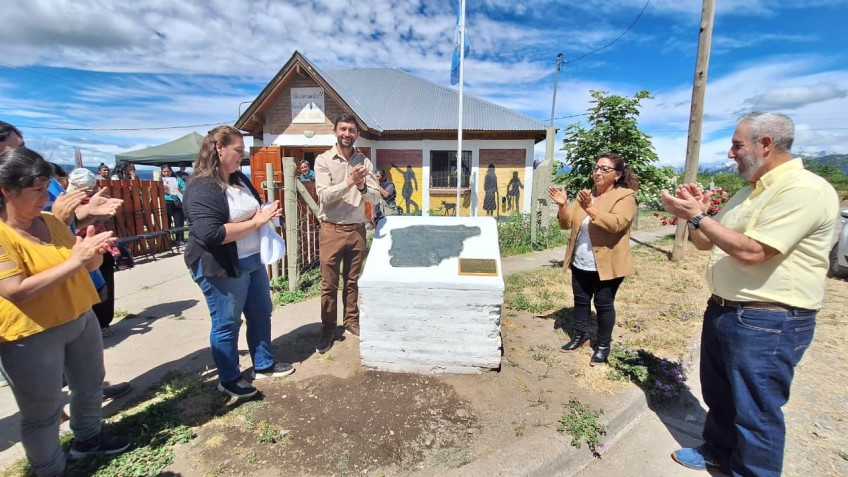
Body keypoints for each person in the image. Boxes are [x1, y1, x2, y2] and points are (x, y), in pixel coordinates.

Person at [661, 112, 838, 476]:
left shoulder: (804, 190)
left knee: (756, 412)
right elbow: (702, 241)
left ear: (766, 145)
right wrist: (696, 214)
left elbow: (754, 251)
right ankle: (719, 451)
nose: (730, 154)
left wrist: (699, 217)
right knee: (722, 396)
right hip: (726, 310)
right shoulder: (748, 192)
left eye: (737, 145)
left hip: (769, 320)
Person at [0, 147, 130, 476]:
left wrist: (92, 250)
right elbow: (14, 291)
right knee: (42, 412)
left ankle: (87, 440)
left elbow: (84, 262)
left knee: (89, 385)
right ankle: (49, 469)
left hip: (78, 317)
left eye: (47, 187)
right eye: (38, 189)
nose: (47, 196)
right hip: (31, 334)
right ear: (6, 191)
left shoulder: (48, 221)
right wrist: (76, 260)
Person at [184, 125, 294, 400]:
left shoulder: (239, 179)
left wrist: (265, 212)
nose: (242, 157)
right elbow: (211, 234)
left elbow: (251, 210)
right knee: (227, 321)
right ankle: (229, 378)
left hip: (251, 260)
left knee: (260, 312)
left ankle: (263, 364)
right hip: (221, 266)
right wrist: (257, 221)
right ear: (219, 148)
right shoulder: (202, 186)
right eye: (238, 151)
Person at [548, 152, 639, 365]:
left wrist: (590, 208)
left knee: (603, 304)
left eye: (605, 169)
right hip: (581, 261)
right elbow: (566, 223)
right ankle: (580, 337)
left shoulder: (625, 197)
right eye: (596, 167)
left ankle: (603, 346)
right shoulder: (586, 195)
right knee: (580, 301)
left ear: (617, 175)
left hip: (607, 263)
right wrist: (563, 205)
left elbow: (617, 224)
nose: (598, 172)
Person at [314, 114, 380, 352]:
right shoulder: (323, 160)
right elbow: (323, 195)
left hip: (357, 231)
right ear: (335, 131)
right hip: (331, 230)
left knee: (352, 281)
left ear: (357, 134)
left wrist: (362, 185)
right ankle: (328, 328)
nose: (347, 134)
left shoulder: (365, 161)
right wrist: (350, 182)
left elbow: (374, 197)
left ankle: (351, 320)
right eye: (343, 129)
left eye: (351, 130)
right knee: (329, 284)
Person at [161, 164, 186, 243]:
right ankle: (168, 240)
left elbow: (185, 189)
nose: (166, 173)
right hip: (166, 201)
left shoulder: (177, 179)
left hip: (176, 201)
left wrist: (179, 189)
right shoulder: (160, 181)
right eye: (164, 172)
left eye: (168, 171)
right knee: (167, 222)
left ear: (171, 171)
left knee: (178, 221)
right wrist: (162, 189)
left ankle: (179, 239)